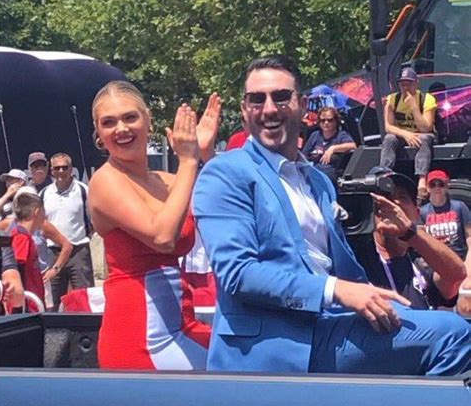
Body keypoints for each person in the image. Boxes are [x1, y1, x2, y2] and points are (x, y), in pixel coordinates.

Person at [194, 54, 471, 376]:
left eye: (281, 97)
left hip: (330, 325)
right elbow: (239, 274)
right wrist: (336, 289)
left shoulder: (318, 181)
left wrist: (387, 286)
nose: (268, 109)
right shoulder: (225, 173)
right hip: (276, 344)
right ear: (244, 110)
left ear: (302, 105)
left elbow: (348, 270)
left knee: (448, 325)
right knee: (454, 335)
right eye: (257, 99)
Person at [89, 81, 221, 370]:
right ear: (98, 133)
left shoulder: (166, 181)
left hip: (181, 324)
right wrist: (188, 162)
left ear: (148, 119)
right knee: (237, 372)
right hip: (141, 338)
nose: (121, 129)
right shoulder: (105, 181)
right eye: (108, 122)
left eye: (130, 117)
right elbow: (162, 236)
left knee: (248, 361)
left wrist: (205, 154)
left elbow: (226, 205)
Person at [353, 168, 466, 310]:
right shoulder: (356, 260)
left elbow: (456, 276)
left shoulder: (421, 261)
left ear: (417, 212)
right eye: (385, 197)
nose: (394, 203)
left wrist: (409, 232)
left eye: (402, 196)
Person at [40, 153, 95, 308]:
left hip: (79, 251)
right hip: (53, 253)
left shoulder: (83, 190)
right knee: (52, 302)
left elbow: (94, 219)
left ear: (71, 169)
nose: (61, 171)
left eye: (65, 167)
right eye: (57, 168)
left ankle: (84, 325)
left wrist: (87, 235)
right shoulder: (44, 193)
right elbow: (40, 223)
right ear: (51, 170)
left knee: (83, 299)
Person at [379, 67, 436, 203]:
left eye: (409, 83)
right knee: (389, 139)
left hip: (421, 134)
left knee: (424, 138)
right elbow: (388, 127)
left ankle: (422, 179)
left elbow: (426, 128)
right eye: (402, 84)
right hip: (403, 135)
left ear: (416, 83)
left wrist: (414, 107)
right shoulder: (393, 99)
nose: (405, 87)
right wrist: (405, 134)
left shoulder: (427, 99)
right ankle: (384, 173)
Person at [1, 187, 46, 309]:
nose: (45, 216)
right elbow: (17, 269)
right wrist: (21, 305)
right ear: (37, 212)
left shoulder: (24, 235)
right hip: (27, 305)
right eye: (43, 211)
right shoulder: (21, 236)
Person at [419, 170, 471, 271]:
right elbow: (420, 242)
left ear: (446, 186)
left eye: (441, 184)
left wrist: (468, 263)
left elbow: (469, 237)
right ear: (428, 188)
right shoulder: (422, 212)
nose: (437, 187)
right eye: (433, 184)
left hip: (459, 259)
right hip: (434, 263)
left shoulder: (459, 207)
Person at [303, 107, 356, 182]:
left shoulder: (341, 135)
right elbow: (304, 156)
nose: (326, 123)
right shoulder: (315, 135)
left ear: (336, 121)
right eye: (323, 120)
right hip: (314, 174)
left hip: (332, 176)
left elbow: (353, 146)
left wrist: (332, 149)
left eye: (330, 120)